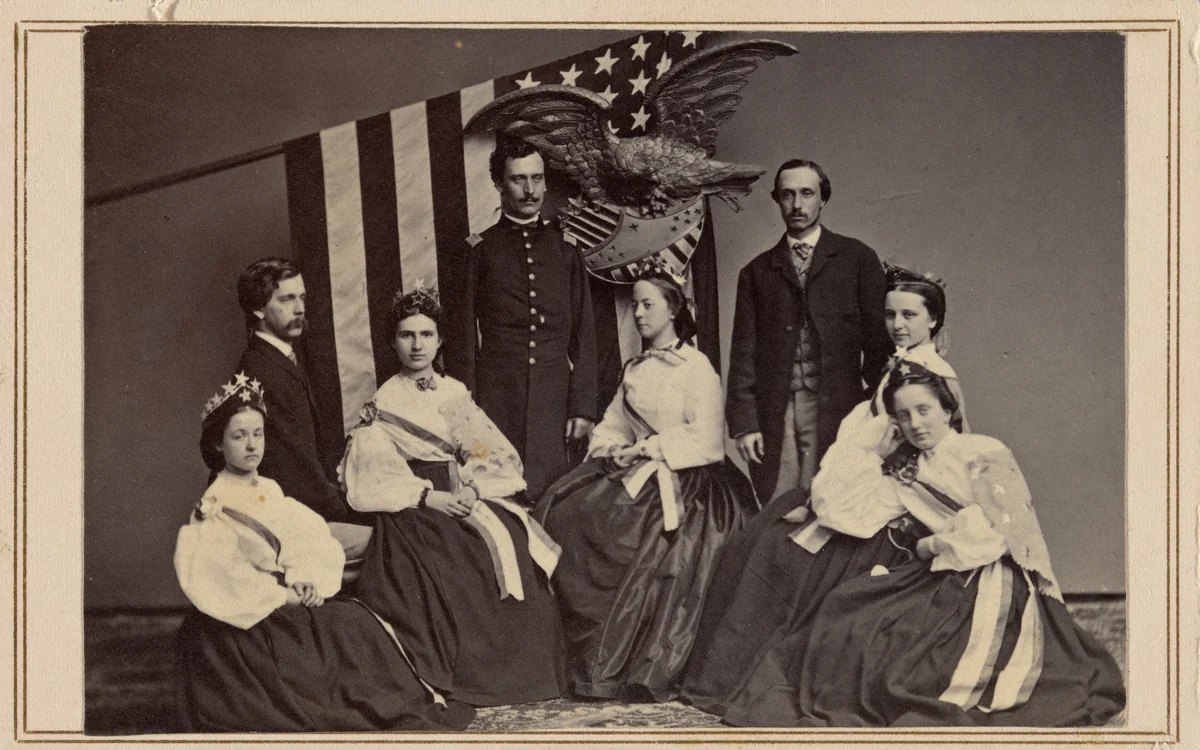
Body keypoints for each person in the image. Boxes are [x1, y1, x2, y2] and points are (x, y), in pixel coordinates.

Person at [722, 370, 1126, 726]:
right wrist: (869, 455)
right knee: (849, 611)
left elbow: (1001, 531)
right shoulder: (906, 469)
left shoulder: (983, 450)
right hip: (938, 572)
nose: (915, 423)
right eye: (903, 415)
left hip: (991, 575)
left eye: (924, 410)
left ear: (947, 410)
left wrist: (933, 543)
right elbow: (846, 512)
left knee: (912, 662)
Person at [683, 264, 966, 717]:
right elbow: (861, 438)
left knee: (788, 555)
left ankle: (754, 673)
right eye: (891, 314)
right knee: (762, 538)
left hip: (897, 504)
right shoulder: (897, 365)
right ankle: (722, 673)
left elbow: (951, 450)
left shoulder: (936, 375)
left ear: (933, 319)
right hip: (861, 485)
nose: (898, 325)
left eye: (910, 315)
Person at [174, 374, 473, 732]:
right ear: (219, 444)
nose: (252, 446)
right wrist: (285, 595)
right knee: (337, 638)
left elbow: (304, 537)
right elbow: (223, 577)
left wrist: (306, 579)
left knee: (359, 625)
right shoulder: (214, 503)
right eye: (239, 436)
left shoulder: (268, 488)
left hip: (288, 594)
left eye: (258, 434)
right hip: (250, 614)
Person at [534, 266, 757, 702]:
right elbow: (614, 423)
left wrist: (647, 450)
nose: (637, 313)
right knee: (565, 511)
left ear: (673, 309)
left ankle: (630, 659)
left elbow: (708, 440)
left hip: (690, 482)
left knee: (638, 536)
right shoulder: (635, 368)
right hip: (636, 469)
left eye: (647, 304)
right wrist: (614, 447)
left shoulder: (697, 368)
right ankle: (577, 657)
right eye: (634, 304)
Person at [339, 285, 567, 707]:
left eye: (426, 335)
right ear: (393, 342)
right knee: (454, 553)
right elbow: (376, 471)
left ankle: (526, 675)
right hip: (416, 503)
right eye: (407, 335)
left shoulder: (453, 391)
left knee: (514, 540)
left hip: (464, 491)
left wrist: (474, 488)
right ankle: (475, 675)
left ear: (440, 340)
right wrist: (430, 497)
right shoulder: (384, 400)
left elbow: (484, 449)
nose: (417, 345)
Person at [726, 159, 893, 504]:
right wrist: (745, 424)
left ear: (823, 198)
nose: (797, 205)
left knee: (833, 502)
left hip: (840, 409)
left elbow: (878, 343)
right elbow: (744, 352)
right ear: (777, 200)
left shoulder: (857, 259)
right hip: (777, 412)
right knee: (781, 505)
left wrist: (878, 409)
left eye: (807, 193)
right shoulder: (756, 272)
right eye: (787, 195)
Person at [448, 137, 598, 501]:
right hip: (497, 401)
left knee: (556, 502)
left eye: (536, 178)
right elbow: (463, 340)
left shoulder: (566, 249)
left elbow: (585, 334)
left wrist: (583, 408)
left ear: (546, 181)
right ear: (499, 184)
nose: (530, 190)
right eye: (518, 179)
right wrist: (467, 414)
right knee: (500, 499)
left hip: (556, 401)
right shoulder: (479, 251)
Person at [234, 258, 347, 522]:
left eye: (302, 298)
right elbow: (295, 466)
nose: (299, 309)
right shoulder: (259, 370)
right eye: (286, 300)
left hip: (305, 506)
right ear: (257, 308)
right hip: (290, 517)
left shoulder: (279, 359)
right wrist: (342, 510)